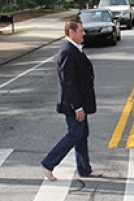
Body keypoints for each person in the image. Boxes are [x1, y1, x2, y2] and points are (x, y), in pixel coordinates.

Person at [40, 19, 103, 181]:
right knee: (75, 134)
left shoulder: (74, 49)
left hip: (79, 102)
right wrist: (78, 107)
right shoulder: (67, 51)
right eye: (81, 31)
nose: (84, 33)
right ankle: (48, 163)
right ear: (71, 32)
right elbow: (69, 83)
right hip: (72, 104)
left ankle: (84, 169)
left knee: (82, 135)